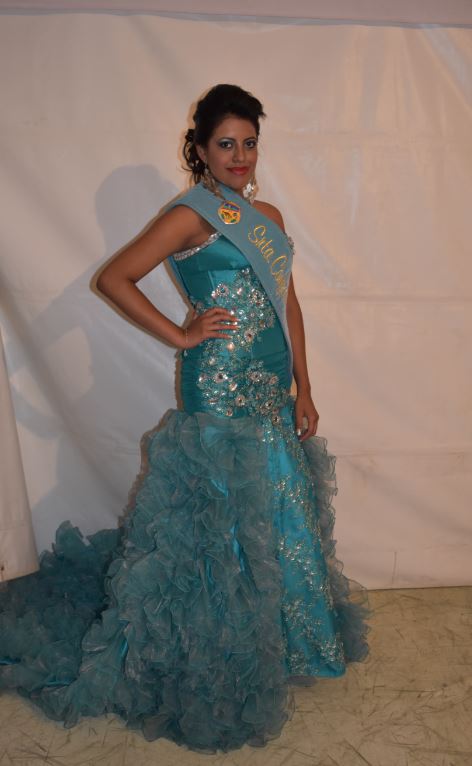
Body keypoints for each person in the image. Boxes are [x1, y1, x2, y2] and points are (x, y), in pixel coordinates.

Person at [0, 84, 371, 753]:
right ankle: (220, 650)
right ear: (199, 148)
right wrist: (181, 334)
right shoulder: (188, 217)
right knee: (222, 523)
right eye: (225, 143)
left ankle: (288, 640)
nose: (239, 156)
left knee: (280, 512)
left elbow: (289, 305)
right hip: (219, 387)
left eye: (249, 143)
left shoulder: (270, 217)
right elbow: (115, 277)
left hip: (271, 387)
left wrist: (305, 386)